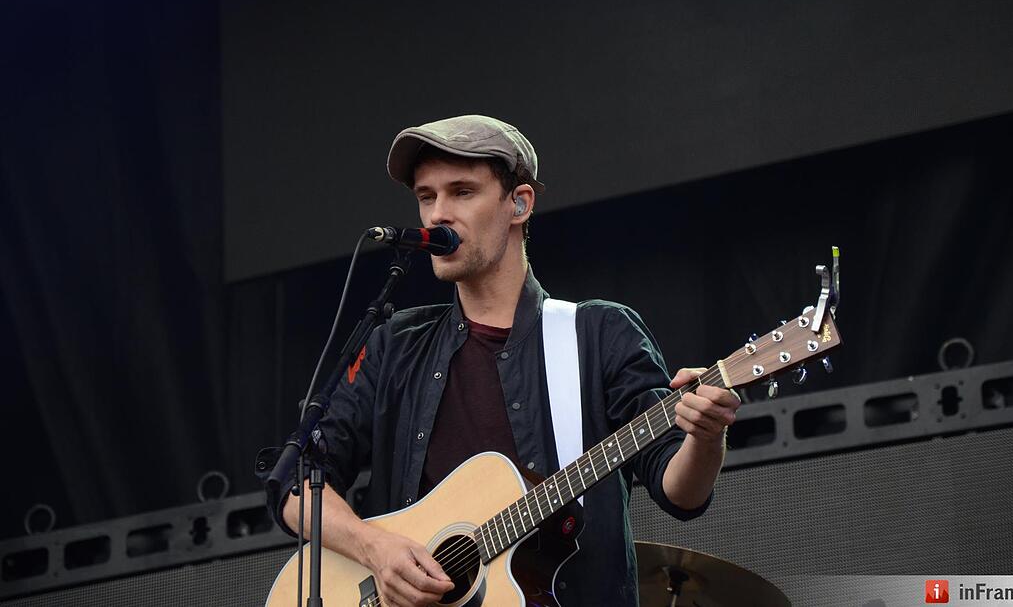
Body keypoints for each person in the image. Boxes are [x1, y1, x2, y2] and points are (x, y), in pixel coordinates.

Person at [282, 114, 741, 606]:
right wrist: (376, 549)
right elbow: (294, 486)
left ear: (519, 204)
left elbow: (680, 492)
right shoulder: (395, 345)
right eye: (426, 196)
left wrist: (707, 437)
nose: (437, 215)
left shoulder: (597, 334)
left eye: (462, 192)